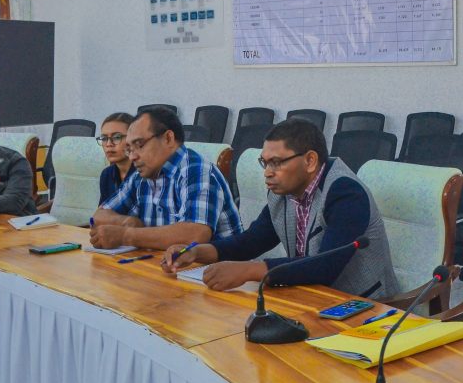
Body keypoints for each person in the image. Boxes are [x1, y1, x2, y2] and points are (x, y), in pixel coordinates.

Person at [161, 118, 399, 299]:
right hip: (311, 298)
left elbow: (325, 266)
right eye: (265, 163)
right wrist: (197, 252)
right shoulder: (283, 193)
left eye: (276, 163)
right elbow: (251, 241)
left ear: (310, 161)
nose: (267, 172)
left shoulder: (345, 193)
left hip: (365, 306)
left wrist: (249, 270)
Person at [90, 107, 241, 249]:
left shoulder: (197, 171)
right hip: (163, 263)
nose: (133, 156)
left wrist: (126, 235)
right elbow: (99, 215)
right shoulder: (140, 177)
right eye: (130, 149)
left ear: (168, 138)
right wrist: (126, 221)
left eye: (139, 145)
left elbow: (195, 234)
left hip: (214, 266)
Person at [97, 112, 136, 204]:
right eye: (104, 138)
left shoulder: (145, 174)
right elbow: (103, 211)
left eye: (117, 137)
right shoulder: (107, 174)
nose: (108, 144)